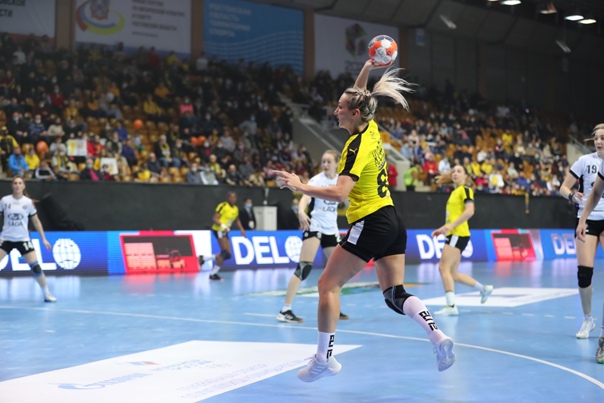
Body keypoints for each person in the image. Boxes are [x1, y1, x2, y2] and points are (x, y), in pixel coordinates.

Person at [273, 60, 455, 382]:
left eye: (340, 107)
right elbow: (361, 95)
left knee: (327, 286)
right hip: (392, 220)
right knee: (394, 294)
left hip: (370, 222)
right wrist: (368, 67)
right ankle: (437, 335)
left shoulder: (354, 148)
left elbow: (340, 192)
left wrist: (301, 186)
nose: (335, 111)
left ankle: (323, 359)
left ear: (355, 113)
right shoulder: (370, 128)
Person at [277, 150, 349, 323]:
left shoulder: (340, 182)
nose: (325, 165)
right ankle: (285, 310)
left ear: (337, 163)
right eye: (323, 161)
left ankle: (334, 306)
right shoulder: (317, 180)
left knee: (338, 271)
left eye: (328, 162)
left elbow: (348, 201)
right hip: (315, 226)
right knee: (304, 267)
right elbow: (305, 197)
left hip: (331, 229)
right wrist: (301, 211)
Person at [431, 165, 493, 316]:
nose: (455, 173)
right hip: (456, 233)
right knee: (453, 274)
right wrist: (443, 228)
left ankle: (451, 305)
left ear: (466, 176)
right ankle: (484, 289)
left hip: (457, 234)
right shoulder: (454, 192)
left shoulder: (465, 190)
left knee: (443, 268)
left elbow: (470, 211)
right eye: (453, 171)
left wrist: (451, 226)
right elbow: (453, 217)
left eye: (459, 171)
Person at [568, 123, 604, 342]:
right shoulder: (584, 161)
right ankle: (588, 319)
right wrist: (572, 196)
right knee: (584, 273)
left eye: (603, 138)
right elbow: (594, 193)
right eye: (596, 138)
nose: (599, 141)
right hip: (588, 217)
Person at [0, 176, 56, 302]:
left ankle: (46, 293)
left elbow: (36, 221)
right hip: (6, 239)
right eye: (15, 183)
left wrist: (44, 239)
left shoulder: (28, 203)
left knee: (36, 267)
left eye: (20, 183)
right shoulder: (4, 201)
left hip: (23, 240)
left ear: (23, 186)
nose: (17, 185)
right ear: (12, 186)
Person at [198, 191, 247, 281]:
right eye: (231, 197)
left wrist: (242, 229)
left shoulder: (235, 209)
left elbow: (237, 220)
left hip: (225, 231)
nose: (232, 199)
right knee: (225, 253)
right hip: (219, 230)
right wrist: (223, 226)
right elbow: (215, 218)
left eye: (234, 197)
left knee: (228, 255)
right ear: (228, 198)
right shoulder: (223, 206)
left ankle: (204, 258)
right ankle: (213, 274)